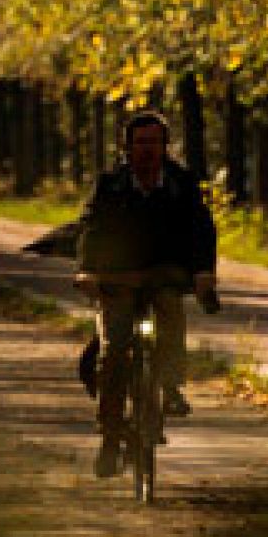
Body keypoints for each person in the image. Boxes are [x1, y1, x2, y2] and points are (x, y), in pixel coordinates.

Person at [74, 111, 219, 479]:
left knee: (171, 314)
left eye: (154, 142)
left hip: (165, 272)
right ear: (127, 147)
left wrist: (203, 271)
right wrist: (88, 269)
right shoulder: (110, 184)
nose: (148, 150)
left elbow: (202, 227)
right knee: (113, 351)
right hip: (118, 275)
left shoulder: (181, 183)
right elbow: (92, 227)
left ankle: (170, 386)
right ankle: (110, 437)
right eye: (140, 142)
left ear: (165, 146)